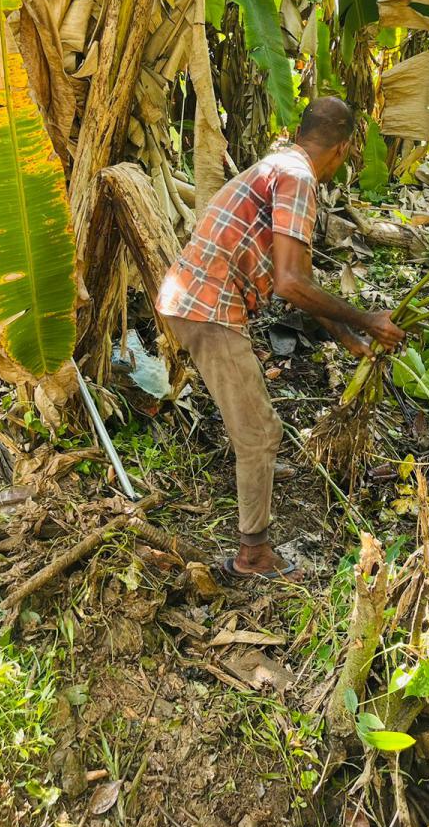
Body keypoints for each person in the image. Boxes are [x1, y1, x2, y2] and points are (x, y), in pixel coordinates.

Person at [156, 97, 405, 580]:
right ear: (343, 148)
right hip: (207, 308)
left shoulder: (279, 164)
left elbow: (296, 281)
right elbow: (292, 284)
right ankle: (252, 557)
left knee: (257, 422)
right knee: (260, 434)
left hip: (194, 299)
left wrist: (349, 334)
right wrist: (370, 318)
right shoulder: (300, 178)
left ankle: (260, 476)